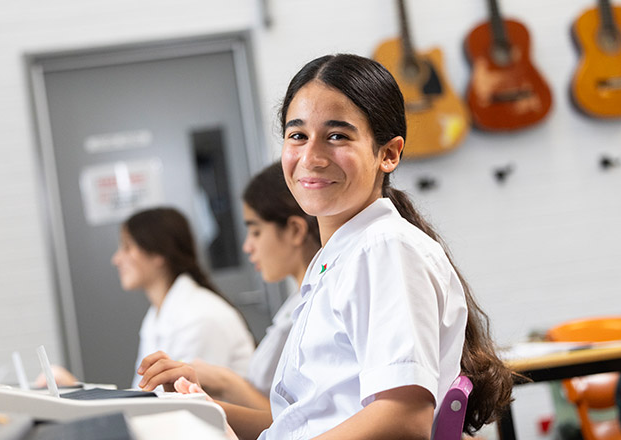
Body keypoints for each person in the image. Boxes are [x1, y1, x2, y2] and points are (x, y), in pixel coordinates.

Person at [138, 54, 514, 439]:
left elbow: (403, 419)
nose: (312, 157)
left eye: (337, 136)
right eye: (297, 135)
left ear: (389, 153)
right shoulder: (342, 256)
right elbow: (304, 424)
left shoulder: (384, 248)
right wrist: (202, 410)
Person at [139, 162, 321, 410]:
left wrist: (224, 383)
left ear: (295, 230)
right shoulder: (296, 304)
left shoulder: (319, 306)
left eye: (255, 232)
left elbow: (298, 422)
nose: (248, 246)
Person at [115, 207, 255, 388]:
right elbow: (143, 391)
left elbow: (181, 401)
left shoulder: (199, 316)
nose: (117, 259)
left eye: (127, 247)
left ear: (158, 253)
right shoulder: (157, 315)